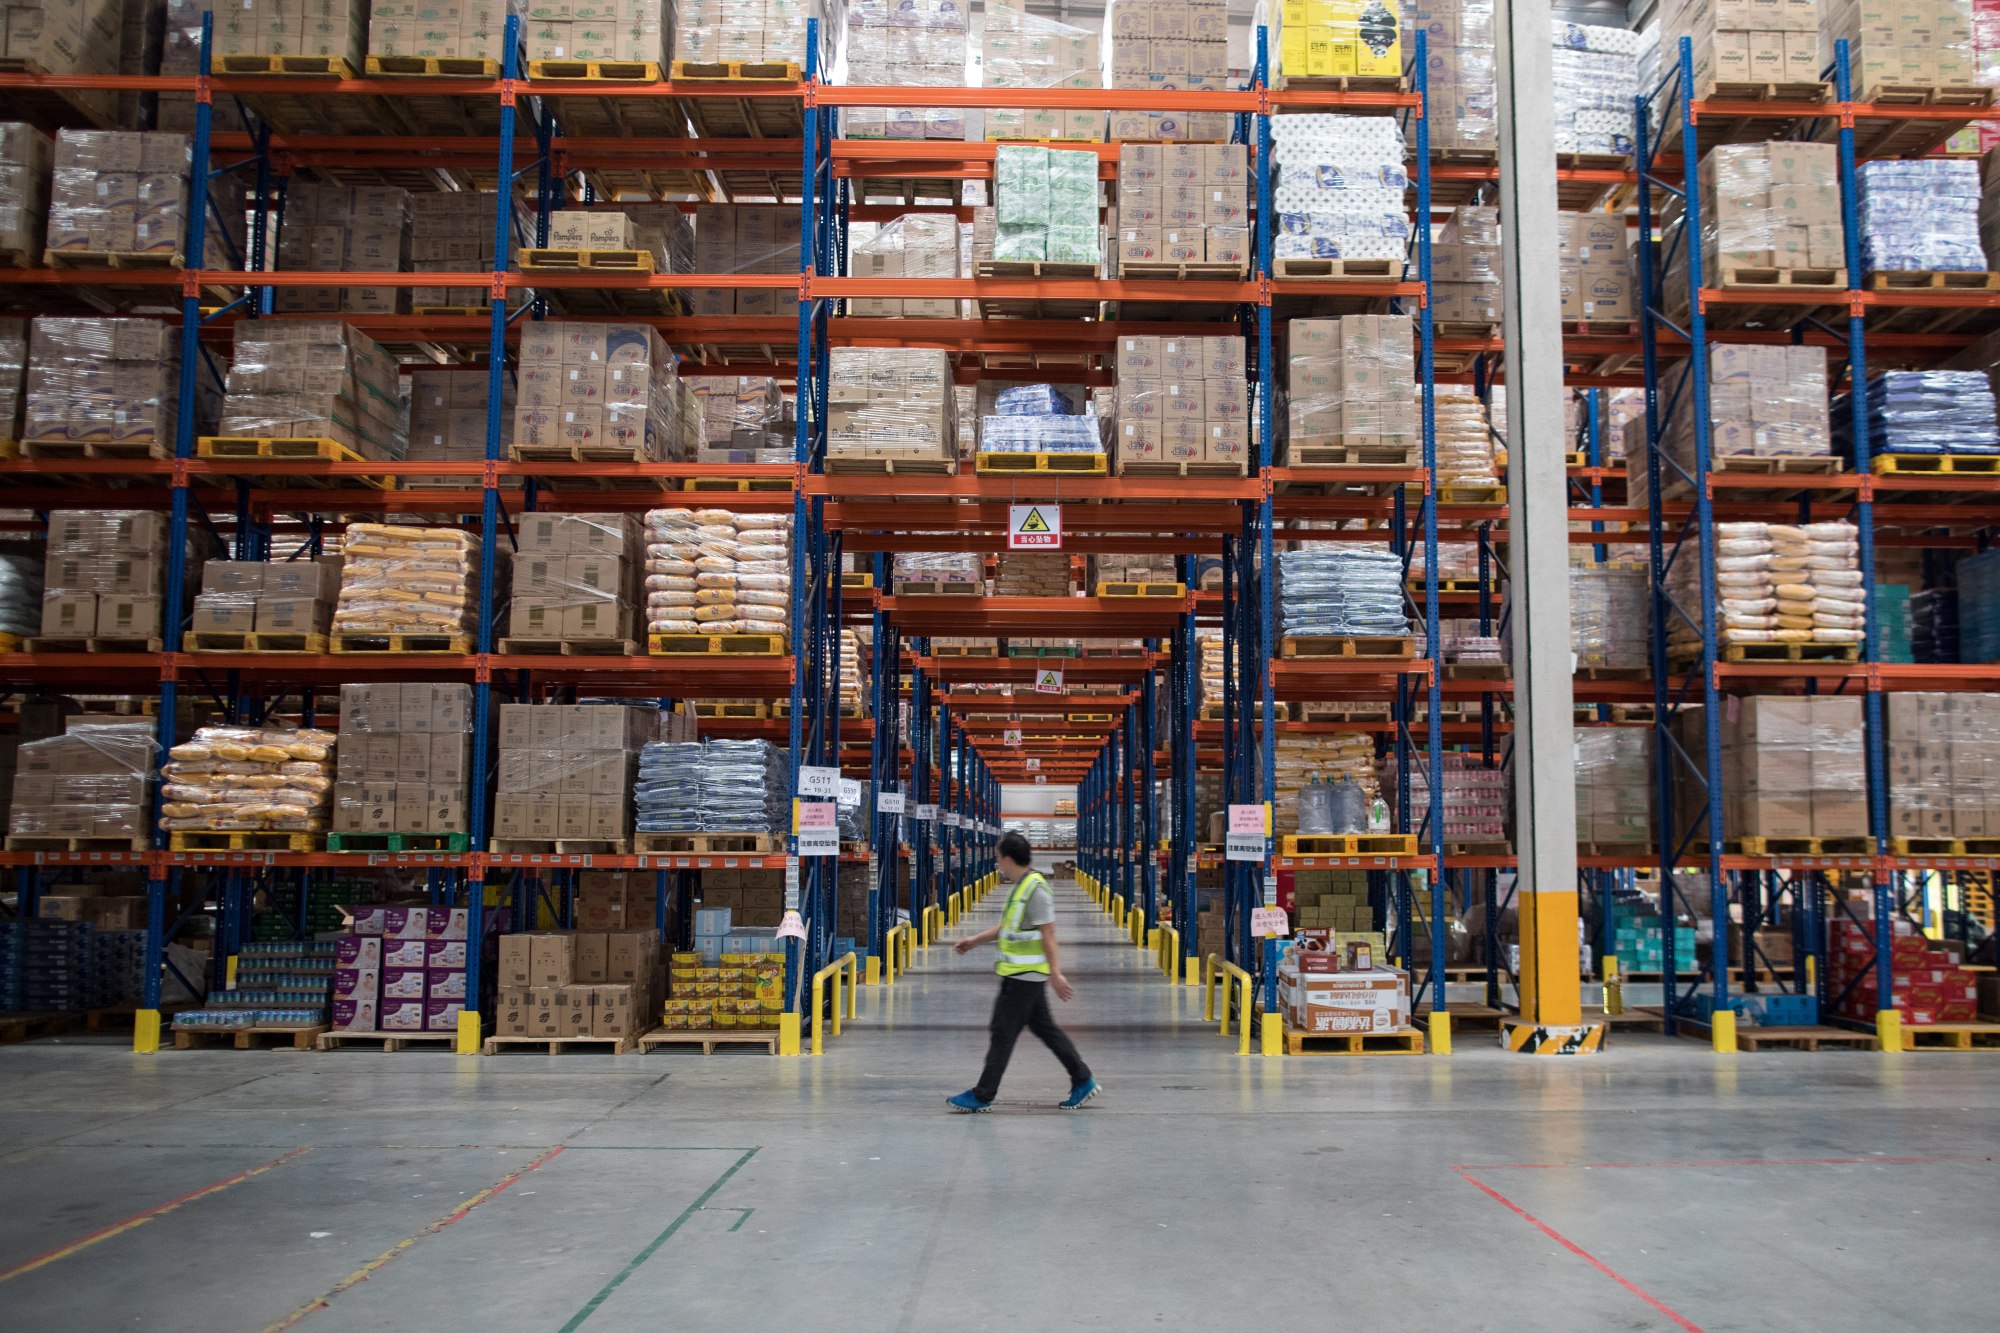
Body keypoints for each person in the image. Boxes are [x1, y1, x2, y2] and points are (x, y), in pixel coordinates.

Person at [946, 832, 1100, 1113]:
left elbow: (1049, 935)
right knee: (1046, 1030)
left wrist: (1056, 973)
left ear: (1007, 858)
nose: (996, 863)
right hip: (1020, 974)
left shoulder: (1036, 889)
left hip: (1025, 977)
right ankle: (1082, 1079)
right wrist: (973, 941)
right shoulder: (1020, 887)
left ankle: (982, 1095)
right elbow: (1007, 926)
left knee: (1002, 1034)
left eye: (997, 858)